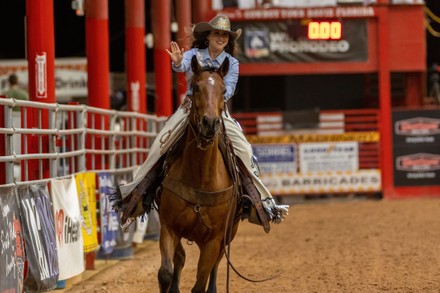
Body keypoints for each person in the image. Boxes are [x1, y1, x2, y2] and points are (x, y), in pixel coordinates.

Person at [116, 14, 288, 230]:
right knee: (160, 145)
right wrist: (178, 62)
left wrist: (212, 100)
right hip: (190, 108)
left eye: (225, 35)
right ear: (208, 36)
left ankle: (260, 202)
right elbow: (182, 65)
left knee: (244, 149)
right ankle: (136, 196)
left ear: (228, 39)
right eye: (217, 33)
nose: (221, 38)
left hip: (217, 109)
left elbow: (230, 88)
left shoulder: (232, 63)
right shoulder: (194, 54)